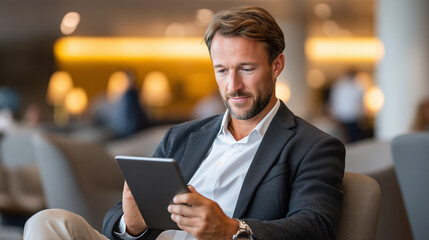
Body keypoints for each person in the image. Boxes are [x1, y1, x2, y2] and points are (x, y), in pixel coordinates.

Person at [23, 6, 345, 240]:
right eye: (222, 70)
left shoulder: (313, 146)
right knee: (48, 222)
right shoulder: (182, 136)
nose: (232, 85)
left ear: (277, 66)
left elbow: (316, 226)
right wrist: (131, 225)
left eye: (246, 69)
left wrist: (232, 230)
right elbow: (118, 221)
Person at [329, 69, 365, 143]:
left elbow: (334, 101)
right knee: (348, 137)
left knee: (348, 137)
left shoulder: (341, 85)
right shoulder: (355, 86)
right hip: (347, 116)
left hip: (349, 116)